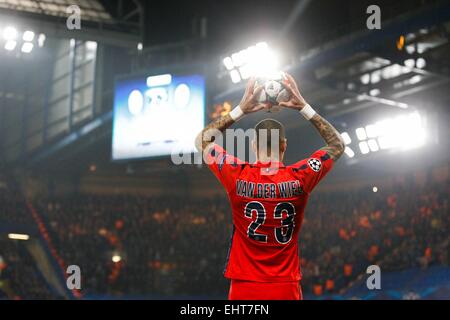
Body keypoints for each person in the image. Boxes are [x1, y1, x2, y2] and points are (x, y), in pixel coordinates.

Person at [195, 73, 345, 300]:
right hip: (285, 287)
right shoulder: (300, 177)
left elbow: (202, 140)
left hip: (244, 287)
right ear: (284, 145)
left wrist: (241, 110)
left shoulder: (236, 174)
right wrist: (303, 106)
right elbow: (337, 144)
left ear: (254, 145)